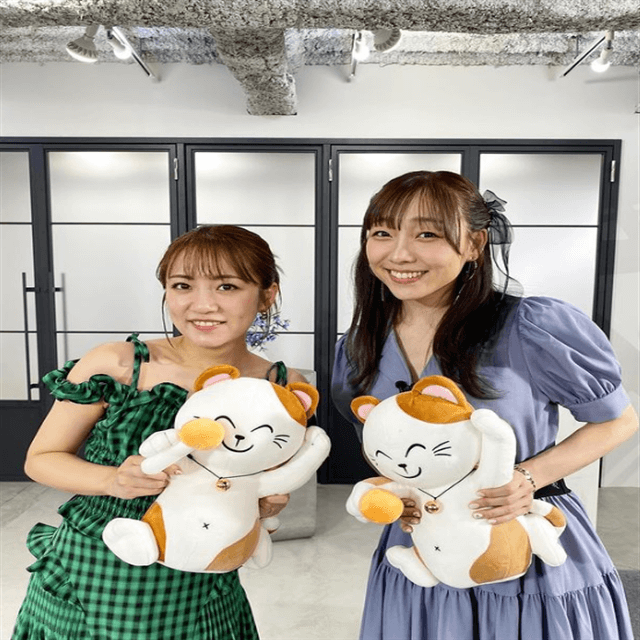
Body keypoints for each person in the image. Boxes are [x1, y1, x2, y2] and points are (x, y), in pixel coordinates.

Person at [331, 170, 638, 639]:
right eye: (382, 233)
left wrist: (527, 478)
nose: (400, 254)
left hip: (520, 533)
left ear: (475, 244)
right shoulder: (359, 345)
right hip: (424, 543)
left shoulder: (531, 326)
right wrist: (398, 493)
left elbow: (618, 421)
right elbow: (381, 450)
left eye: (427, 234)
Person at [12, 224, 307, 640]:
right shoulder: (121, 364)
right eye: (183, 285)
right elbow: (41, 460)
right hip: (94, 567)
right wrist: (112, 480)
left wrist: (265, 504)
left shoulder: (280, 388)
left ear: (266, 295)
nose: (202, 305)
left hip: (199, 576)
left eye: (226, 286)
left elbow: (261, 484)